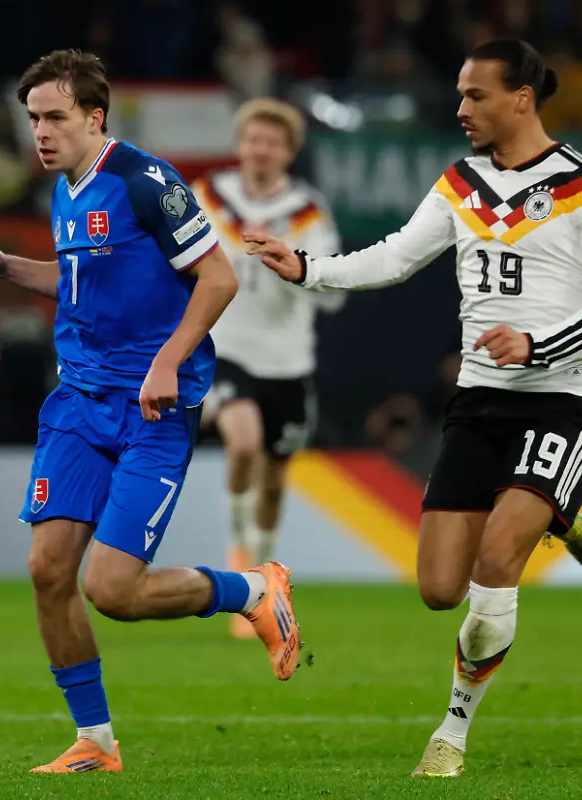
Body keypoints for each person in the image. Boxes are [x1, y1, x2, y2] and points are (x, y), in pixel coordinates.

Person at [247, 39, 582, 777]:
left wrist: (538, 342)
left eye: (476, 96)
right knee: (437, 589)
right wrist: (308, 269)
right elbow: (394, 254)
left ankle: (451, 731)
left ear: (522, 96)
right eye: (458, 94)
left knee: (495, 569)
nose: (460, 109)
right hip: (482, 400)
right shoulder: (460, 183)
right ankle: (559, 512)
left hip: (566, 398)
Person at [0, 49, 306, 775]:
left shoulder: (145, 180)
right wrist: (6, 266)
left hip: (153, 407)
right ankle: (96, 742)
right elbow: (79, 278)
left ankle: (252, 589)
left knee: (111, 590)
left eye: (54, 117)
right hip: (78, 402)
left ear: (94, 117)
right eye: (32, 120)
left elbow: (216, 277)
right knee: (48, 571)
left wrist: (167, 360)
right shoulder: (66, 190)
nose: (40, 133)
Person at [191, 99, 344, 639]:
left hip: (288, 360)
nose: (260, 150)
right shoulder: (209, 197)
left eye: (271, 142)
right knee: (243, 443)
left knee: (276, 480)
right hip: (226, 347)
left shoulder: (306, 211)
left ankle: (264, 576)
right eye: (252, 139)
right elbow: (177, 258)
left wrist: (288, 264)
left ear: (288, 151)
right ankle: (238, 559)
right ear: (240, 144)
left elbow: (330, 293)